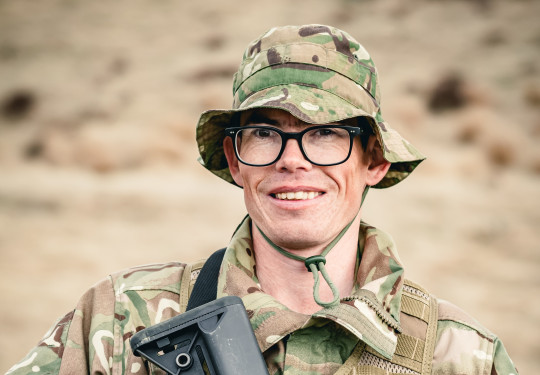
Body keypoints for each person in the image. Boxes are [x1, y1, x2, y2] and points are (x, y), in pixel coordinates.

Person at [7, 24, 518, 375]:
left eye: (325, 134)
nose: (292, 160)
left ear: (374, 161)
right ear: (235, 159)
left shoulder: (461, 354)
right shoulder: (121, 323)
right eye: (264, 133)